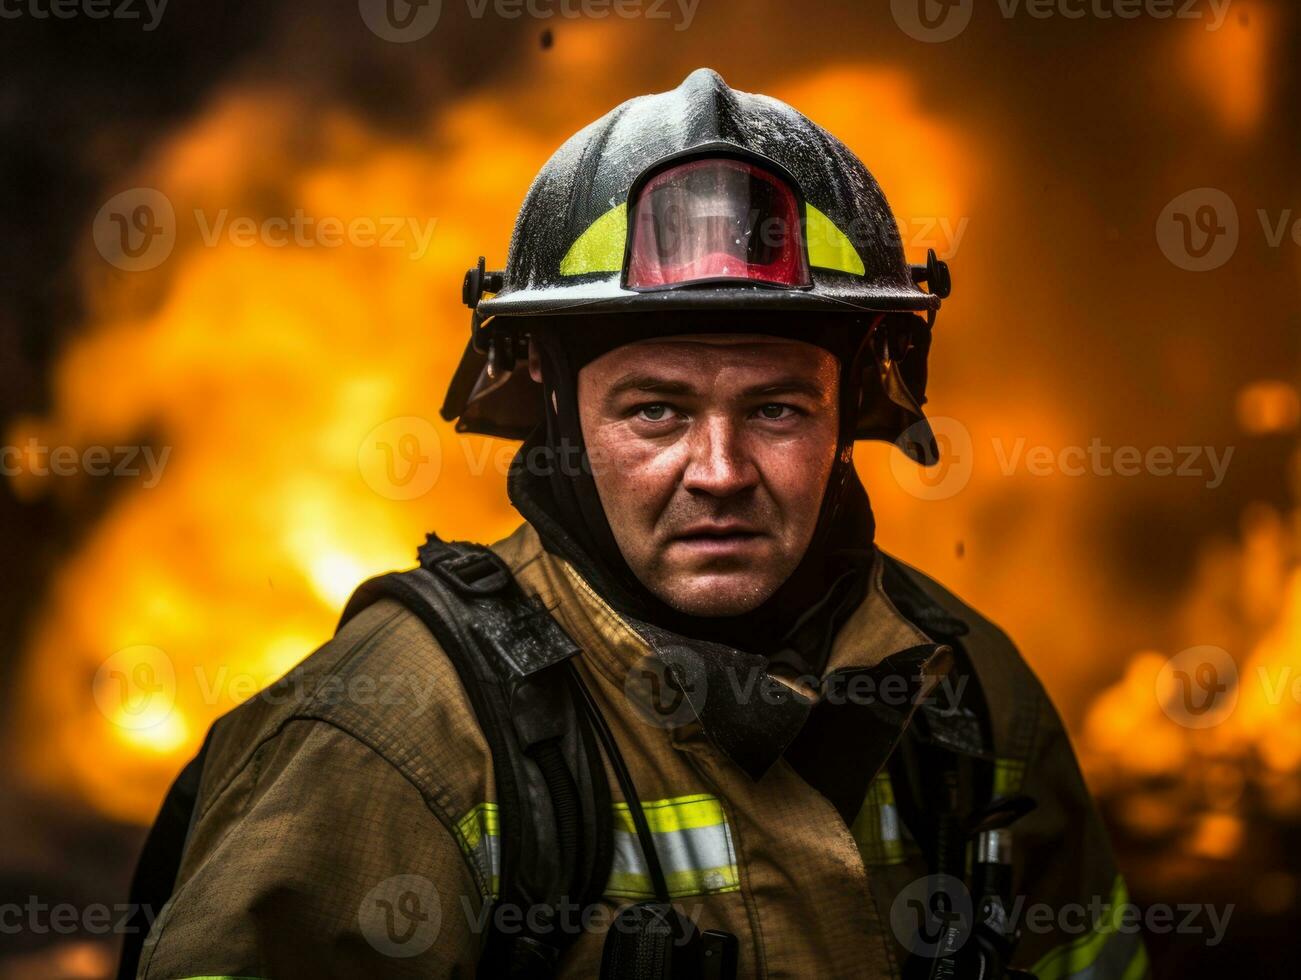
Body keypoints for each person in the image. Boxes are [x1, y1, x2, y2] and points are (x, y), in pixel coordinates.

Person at [125, 69, 1147, 980]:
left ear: (851, 414)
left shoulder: (965, 693)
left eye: (776, 408)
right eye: (654, 408)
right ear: (556, 412)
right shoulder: (399, 729)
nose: (719, 472)